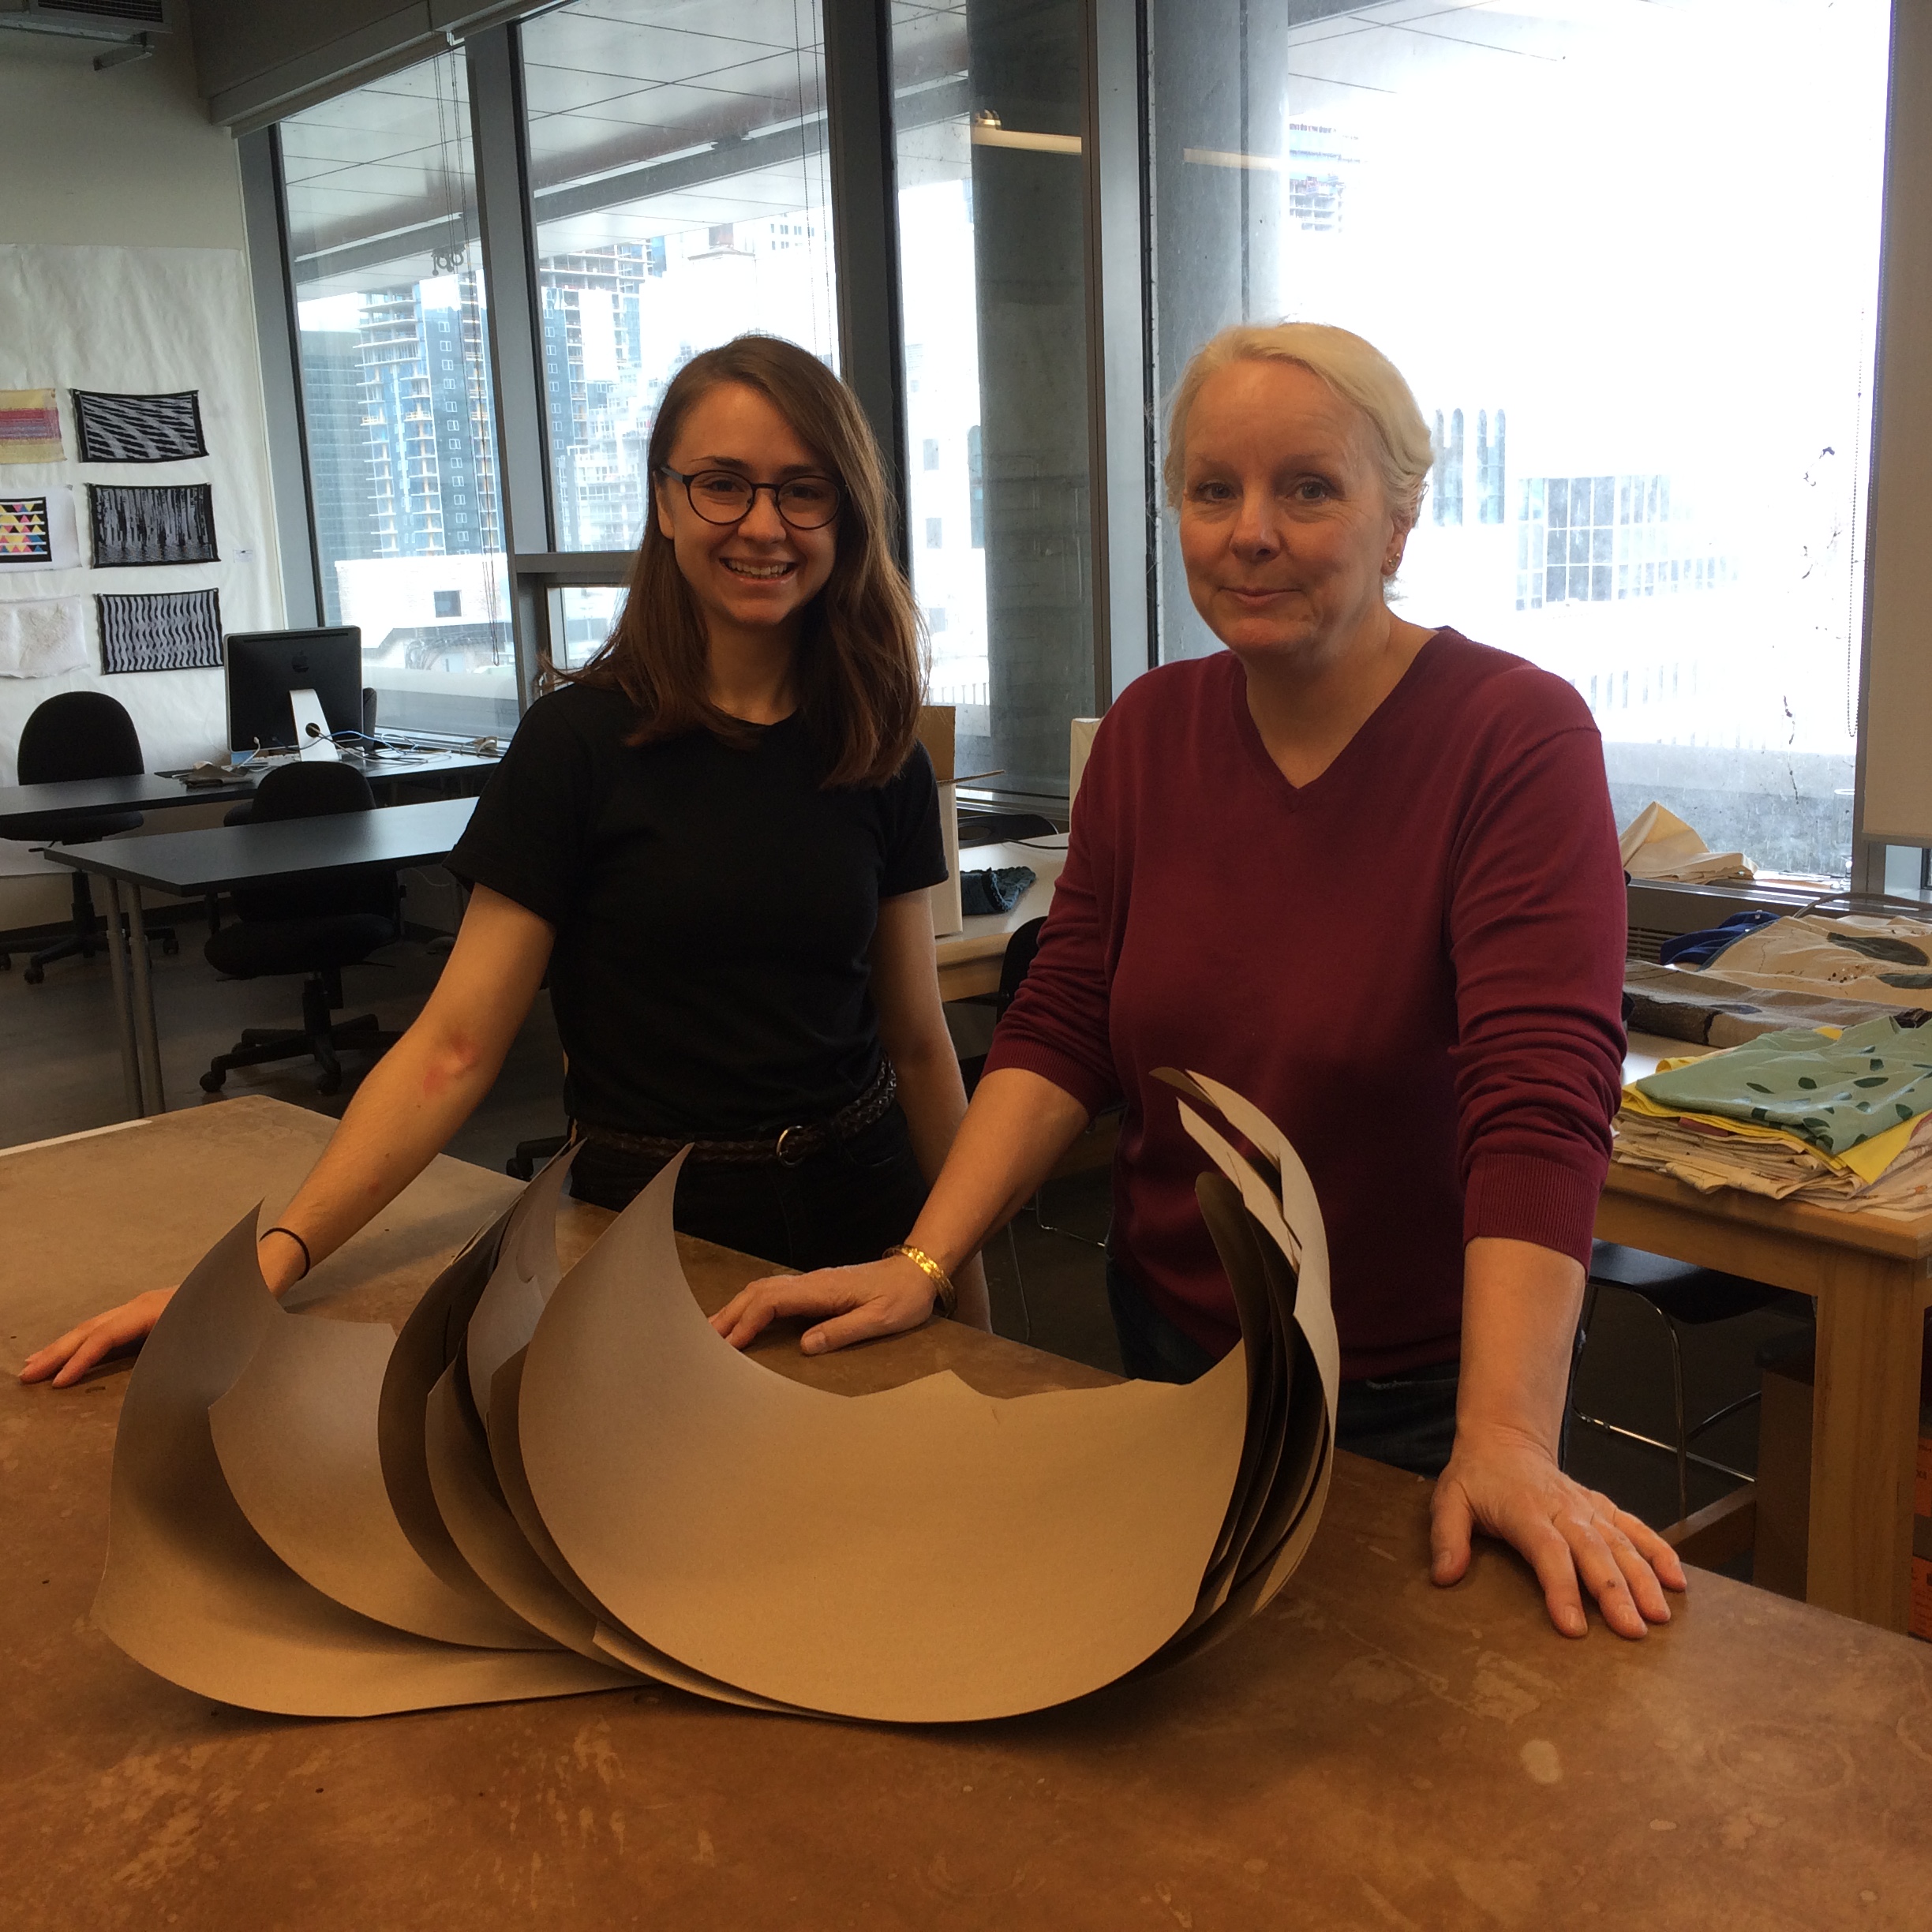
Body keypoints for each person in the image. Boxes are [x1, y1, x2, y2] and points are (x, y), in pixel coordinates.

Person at [709, 321, 1686, 1642]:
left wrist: (1507, 1436)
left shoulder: (1513, 734)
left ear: (1400, 522)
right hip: (1170, 1336)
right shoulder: (1151, 731)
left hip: (1414, 1390)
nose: (1251, 533)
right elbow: (1066, 1024)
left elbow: (1539, 1098)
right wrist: (923, 1260)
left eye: (1310, 489)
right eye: (1214, 490)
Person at [24, 333, 987, 1389]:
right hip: (659, 1233)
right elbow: (452, 1049)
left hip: (864, 1216)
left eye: (803, 491)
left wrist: (960, 1284)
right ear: (666, 503)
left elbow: (917, 1045)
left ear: (845, 516)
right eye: (723, 484)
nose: (764, 524)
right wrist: (264, 1264)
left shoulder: (876, 747)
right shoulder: (578, 746)